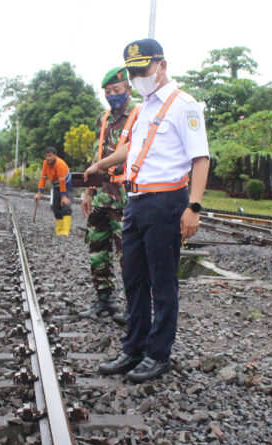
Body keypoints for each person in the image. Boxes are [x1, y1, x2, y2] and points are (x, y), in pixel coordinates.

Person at [84, 39, 210, 382]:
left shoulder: (184, 105)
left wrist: (193, 207)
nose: (139, 77)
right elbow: (130, 150)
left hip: (166, 202)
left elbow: (201, 159)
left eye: (143, 70)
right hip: (136, 201)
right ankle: (133, 347)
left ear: (162, 65)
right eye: (134, 72)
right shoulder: (145, 108)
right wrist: (99, 166)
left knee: (162, 282)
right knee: (134, 278)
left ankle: (158, 354)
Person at [78, 67, 139, 324]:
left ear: (128, 89)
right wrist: (87, 191)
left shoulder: (140, 115)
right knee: (97, 249)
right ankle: (104, 299)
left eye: (116, 90)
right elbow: (97, 156)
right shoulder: (102, 119)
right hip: (102, 195)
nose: (112, 95)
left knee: (128, 255)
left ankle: (133, 309)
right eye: (108, 92)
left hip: (126, 196)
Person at [34, 147, 73, 236]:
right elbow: (43, 178)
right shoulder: (45, 164)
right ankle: (59, 230)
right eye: (47, 156)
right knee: (56, 208)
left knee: (65, 205)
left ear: (55, 155)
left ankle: (65, 231)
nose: (48, 158)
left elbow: (62, 180)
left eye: (50, 156)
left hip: (66, 185)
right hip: (56, 186)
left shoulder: (60, 164)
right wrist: (39, 192)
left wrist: (63, 196)